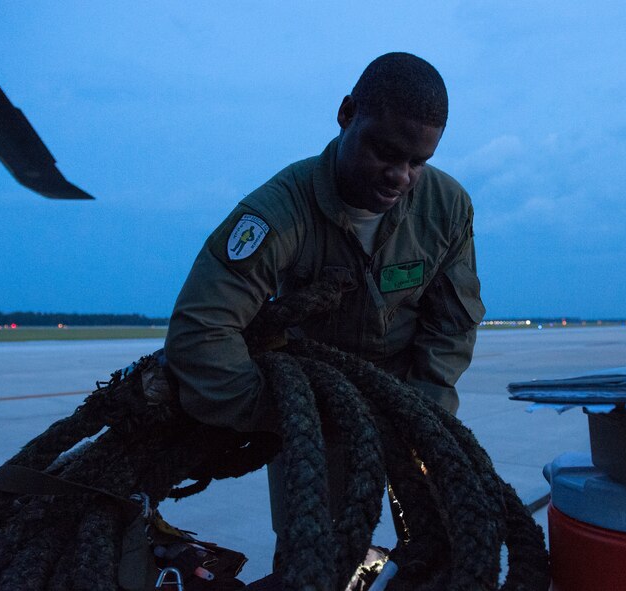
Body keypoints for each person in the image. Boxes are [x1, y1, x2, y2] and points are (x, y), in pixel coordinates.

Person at [163, 52, 485, 556]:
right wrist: (286, 413)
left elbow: (452, 325)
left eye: (417, 162)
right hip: (314, 403)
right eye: (386, 152)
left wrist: (420, 411)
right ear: (346, 113)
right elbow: (201, 336)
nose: (400, 177)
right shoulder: (277, 213)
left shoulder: (448, 207)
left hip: (409, 400)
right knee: (311, 552)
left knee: (447, 543)